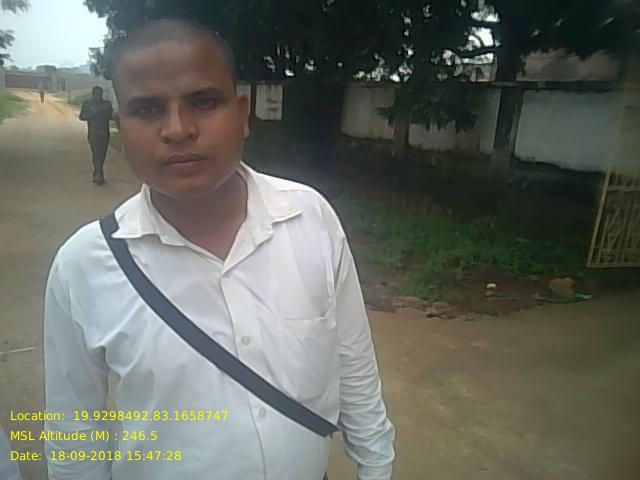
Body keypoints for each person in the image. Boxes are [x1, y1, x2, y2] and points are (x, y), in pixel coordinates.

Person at [44, 18, 395, 480]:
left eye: (204, 102)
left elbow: (353, 362)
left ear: (242, 114)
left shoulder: (309, 218)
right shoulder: (83, 267)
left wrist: (376, 466)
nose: (178, 129)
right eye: (147, 109)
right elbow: (74, 432)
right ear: (119, 126)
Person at [79, 86, 114, 185]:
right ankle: (98, 174)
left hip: (105, 133)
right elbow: (82, 117)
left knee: (102, 154)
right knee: (95, 153)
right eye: (97, 94)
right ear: (93, 94)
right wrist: (93, 114)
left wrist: (105, 113)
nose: (99, 96)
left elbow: (111, 117)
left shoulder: (106, 104)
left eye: (100, 94)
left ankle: (99, 172)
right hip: (93, 133)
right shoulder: (87, 104)